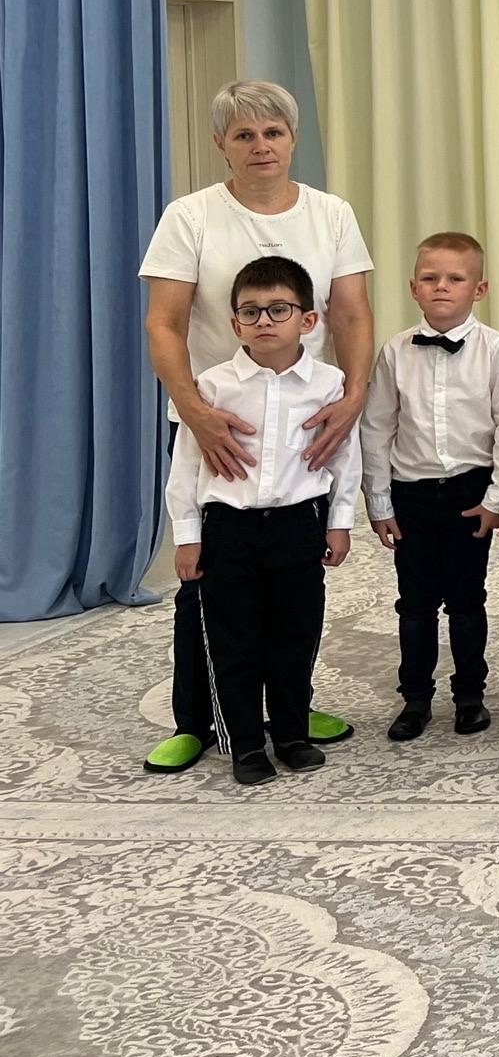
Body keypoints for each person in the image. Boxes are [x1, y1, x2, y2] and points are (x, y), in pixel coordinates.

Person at [139, 79, 370, 773]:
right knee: (210, 587)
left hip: (302, 415)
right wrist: (195, 411)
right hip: (219, 422)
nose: (260, 146)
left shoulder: (331, 213)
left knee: (293, 592)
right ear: (222, 144)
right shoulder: (190, 216)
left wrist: (354, 396)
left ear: (292, 139)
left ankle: (287, 711)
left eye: (273, 132)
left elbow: (351, 314)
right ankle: (198, 719)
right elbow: (164, 323)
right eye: (244, 134)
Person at [164, 258, 360, 787]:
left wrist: (340, 521)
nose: (264, 321)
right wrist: (187, 535)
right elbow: (186, 464)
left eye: (279, 309)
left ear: (308, 321)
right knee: (233, 639)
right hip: (229, 528)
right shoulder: (212, 386)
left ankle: (292, 734)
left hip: (299, 524)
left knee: (296, 633)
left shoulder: (329, 384)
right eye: (250, 312)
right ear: (235, 324)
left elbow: (345, 456)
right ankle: (246, 744)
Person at [361, 233, 499, 743]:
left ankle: (470, 695)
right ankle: (415, 698)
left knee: (467, 601)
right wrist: (379, 501)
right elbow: (376, 427)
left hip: (470, 494)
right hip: (410, 493)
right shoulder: (394, 351)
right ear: (413, 287)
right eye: (430, 278)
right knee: (414, 604)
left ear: (479, 289)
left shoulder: (495, 348)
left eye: (455, 278)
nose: (441, 287)